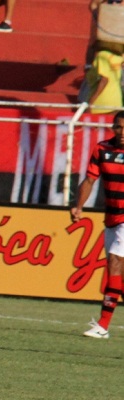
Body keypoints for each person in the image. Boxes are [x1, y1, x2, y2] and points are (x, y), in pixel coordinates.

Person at [72, 111, 124, 340]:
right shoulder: (102, 149)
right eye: (119, 127)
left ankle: (103, 325)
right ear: (113, 128)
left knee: (113, 264)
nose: (122, 133)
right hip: (111, 219)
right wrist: (78, 206)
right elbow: (90, 179)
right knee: (120, 274)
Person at [85, 42, 124, 114]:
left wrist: (90, 103)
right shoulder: (117, 57)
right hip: (116, 102)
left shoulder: (102, 55)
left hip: (100, 104)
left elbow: (104, 80)